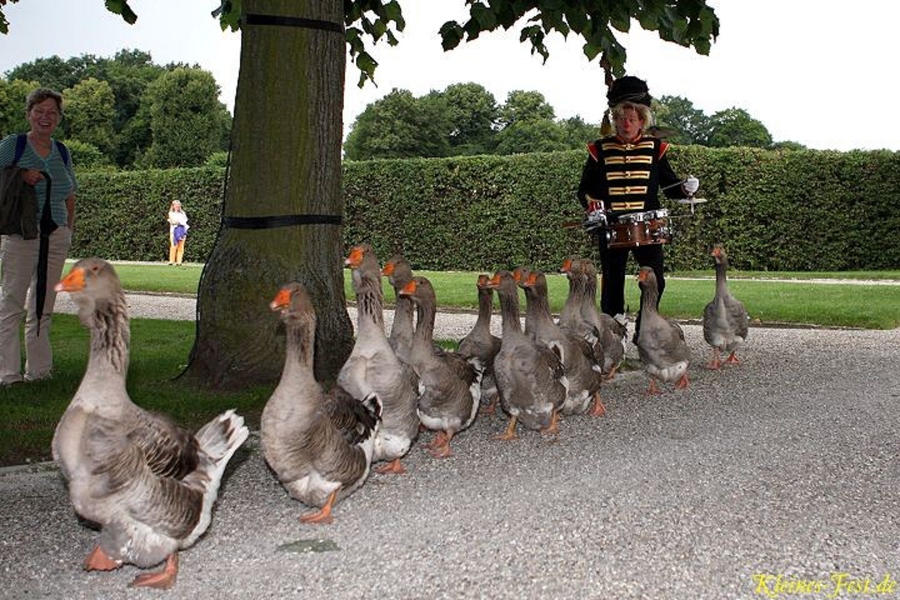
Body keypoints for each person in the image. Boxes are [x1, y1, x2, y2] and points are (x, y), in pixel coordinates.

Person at [577, 76, 699, 342]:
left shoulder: (656, 148)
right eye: (621, 118)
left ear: (642, 120)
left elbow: (669, 186)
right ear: (614, 120)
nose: (626, 123)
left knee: (656, 281)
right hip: (612, 227)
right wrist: (591, 202)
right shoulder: (599, 150)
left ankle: (645, 328)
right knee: (612, 283)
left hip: (648, 227)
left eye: (631, 119)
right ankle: (613, 336)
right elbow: (585, 189)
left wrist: (687, 189)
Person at [0, 88, 76, 386]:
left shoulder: (62, 151)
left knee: (43, 305)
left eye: (52, 113)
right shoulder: (14, 146)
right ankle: (8, 373)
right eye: (40, 111)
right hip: (21, 233)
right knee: (12, 303)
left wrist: (68, 228)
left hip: (55, 235)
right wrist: (19, 175)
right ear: (29, 113)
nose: (46, 117)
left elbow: (70, 192)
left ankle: (40, 371)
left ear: (58, 118)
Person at [167, 200, 189, 265]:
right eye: (176, 205)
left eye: (178, 205)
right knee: (174, 245)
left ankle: (179, 261)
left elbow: (185, 221)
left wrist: (180, 222)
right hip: (173, 231)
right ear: (173, 206)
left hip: (182, 231)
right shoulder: (171, 213)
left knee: (181, 246)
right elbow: (173, 221)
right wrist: (179, 222)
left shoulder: (182, 213)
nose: (177, 206)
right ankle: (171, 261)